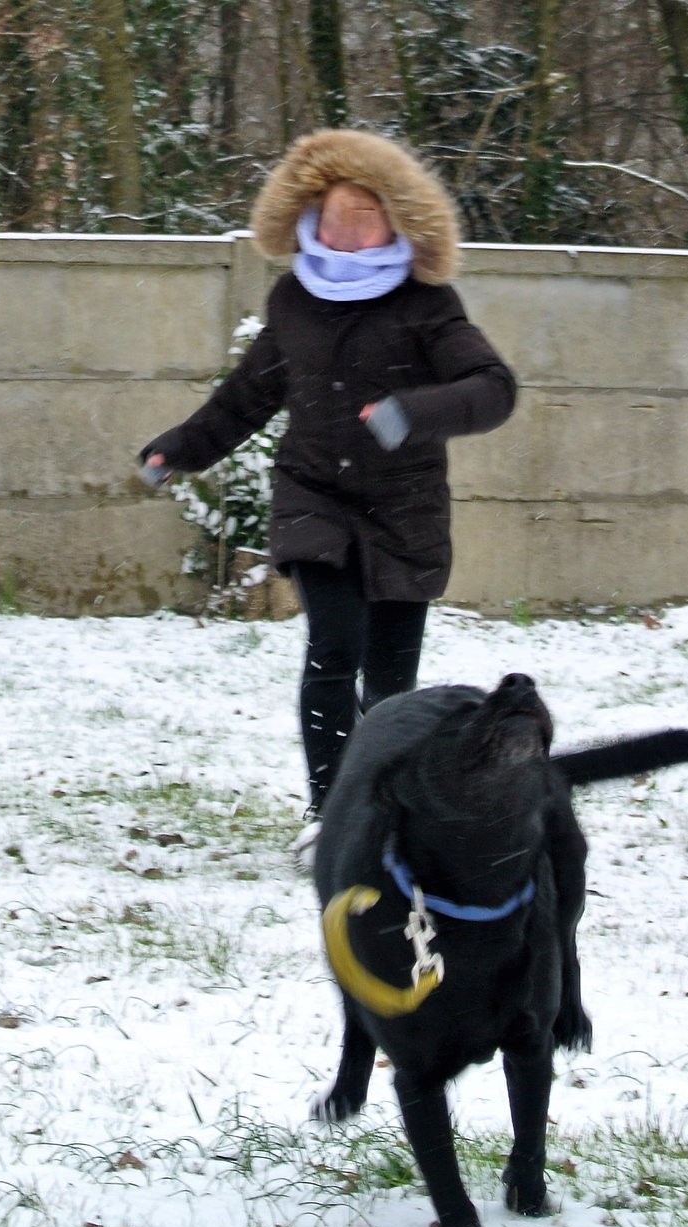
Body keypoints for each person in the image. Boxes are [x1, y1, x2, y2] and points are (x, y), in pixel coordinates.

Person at [138, 130, 516, 860]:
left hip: (404, 509)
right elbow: (248, 396)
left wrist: (413, 412)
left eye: (363, 219)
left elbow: (493, 388)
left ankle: (386, 809)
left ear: (395, 222)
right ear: (309, 216)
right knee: (333, 645)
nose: (346, 234)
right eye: (335, 217)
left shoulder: (426, 303)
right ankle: (329, 811)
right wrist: (177, 450)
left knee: (392, 682)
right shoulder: (294, 299)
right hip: (314, 496)